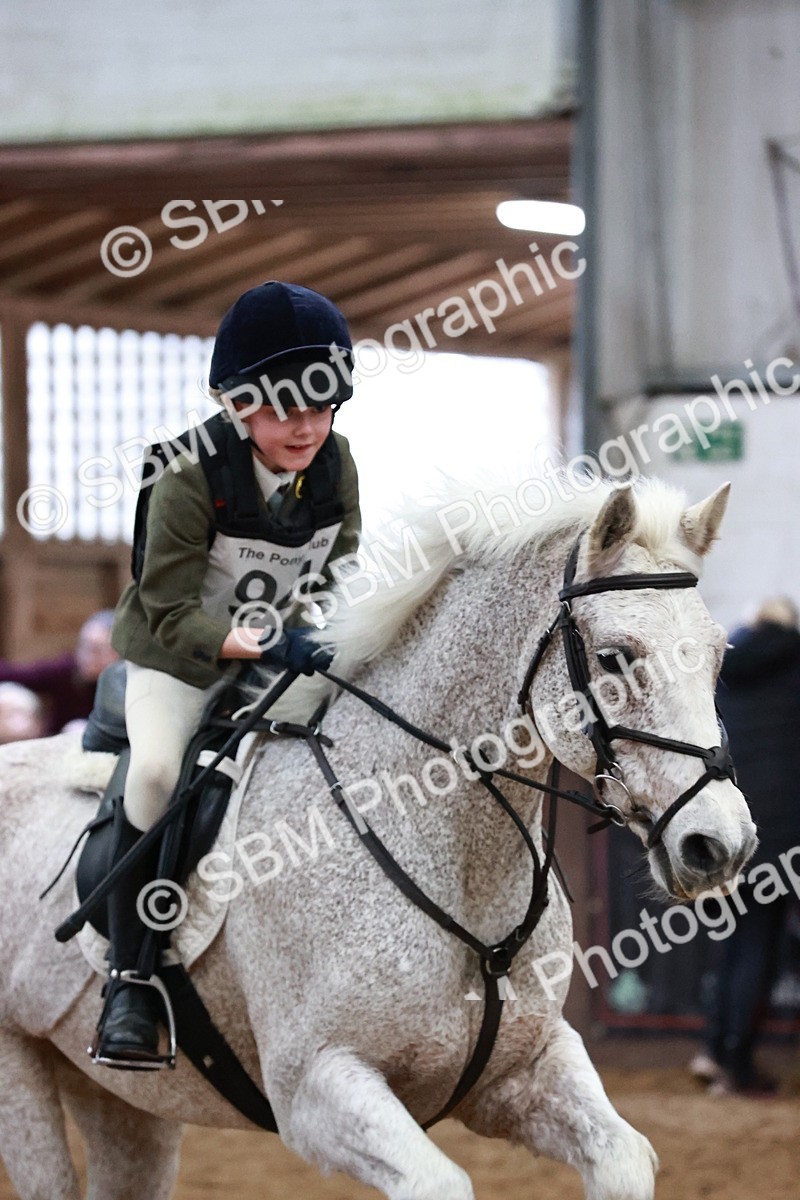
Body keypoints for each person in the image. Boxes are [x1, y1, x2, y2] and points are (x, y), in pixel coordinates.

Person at [96, 280, 361, 1066]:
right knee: (152, 775)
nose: (306, 427)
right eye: (283, 409)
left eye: (321, 406)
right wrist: (268, 644)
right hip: (174, 663)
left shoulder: (336, 464)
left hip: (272, 655)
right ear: (236, 402)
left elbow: (332, 564)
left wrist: (313, 629)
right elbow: (172, 612)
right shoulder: (183, 474)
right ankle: (130, 980)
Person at [692, 596, 800, 1095]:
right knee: (759, 947)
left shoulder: (726, 668)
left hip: (736, 828)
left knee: (740, 943)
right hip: (787, 834)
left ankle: (715, 1052)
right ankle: (734, 1065)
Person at [0, 610, 118, 734]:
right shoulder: (67, 671)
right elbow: (17, 674)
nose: (86, 656)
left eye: (97, 650)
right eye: (83, 645)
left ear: (117, 654)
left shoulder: (127, 684)